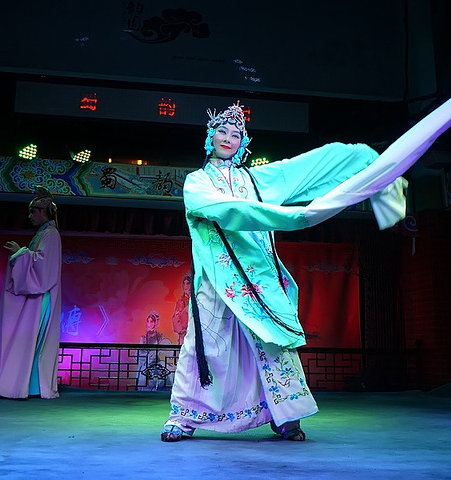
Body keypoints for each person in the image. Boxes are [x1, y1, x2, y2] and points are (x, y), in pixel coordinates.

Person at [160, 102, 404, 442]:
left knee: (273, 344)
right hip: (218, 280)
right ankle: (185, 417)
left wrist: (360, 159)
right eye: (222, 131)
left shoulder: (254, 179)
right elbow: (225, 209)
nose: (228, 138)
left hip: (258, 279)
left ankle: (284, 415)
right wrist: (293, 217)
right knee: (209, 346)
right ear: (210, 137)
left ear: (243, 143)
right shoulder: (197, 182)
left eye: (236, 134)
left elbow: (300, 170)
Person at [0, 186, 63, 399]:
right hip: (35, 296)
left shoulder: (51, 234)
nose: (30, 216)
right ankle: (24, 385)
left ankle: (26, 386)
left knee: (29, 341)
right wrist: (23, 253)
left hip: (41, 296)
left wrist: (21, 252)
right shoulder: (43, 234)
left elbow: (44, 268)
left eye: (33, 212)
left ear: (43, 212)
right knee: (25, 341)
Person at [137, 308, 174, 390]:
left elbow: (165, 351)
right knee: (143, 372)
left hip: (158, 363)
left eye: (151, 321)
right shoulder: (143, 339)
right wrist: (149, 356)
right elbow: (140, 354)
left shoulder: (160, 337)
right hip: (146, 363)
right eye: (148, 321)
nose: (149, 324)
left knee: (167, 370)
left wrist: (157, 354)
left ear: (155, 323)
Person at [171, 272, 191, 344]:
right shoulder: (180, 302)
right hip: (183, 335)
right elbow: (175, 320)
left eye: (188, 283)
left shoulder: (197, 300)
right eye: (184, 283)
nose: (185, 286)